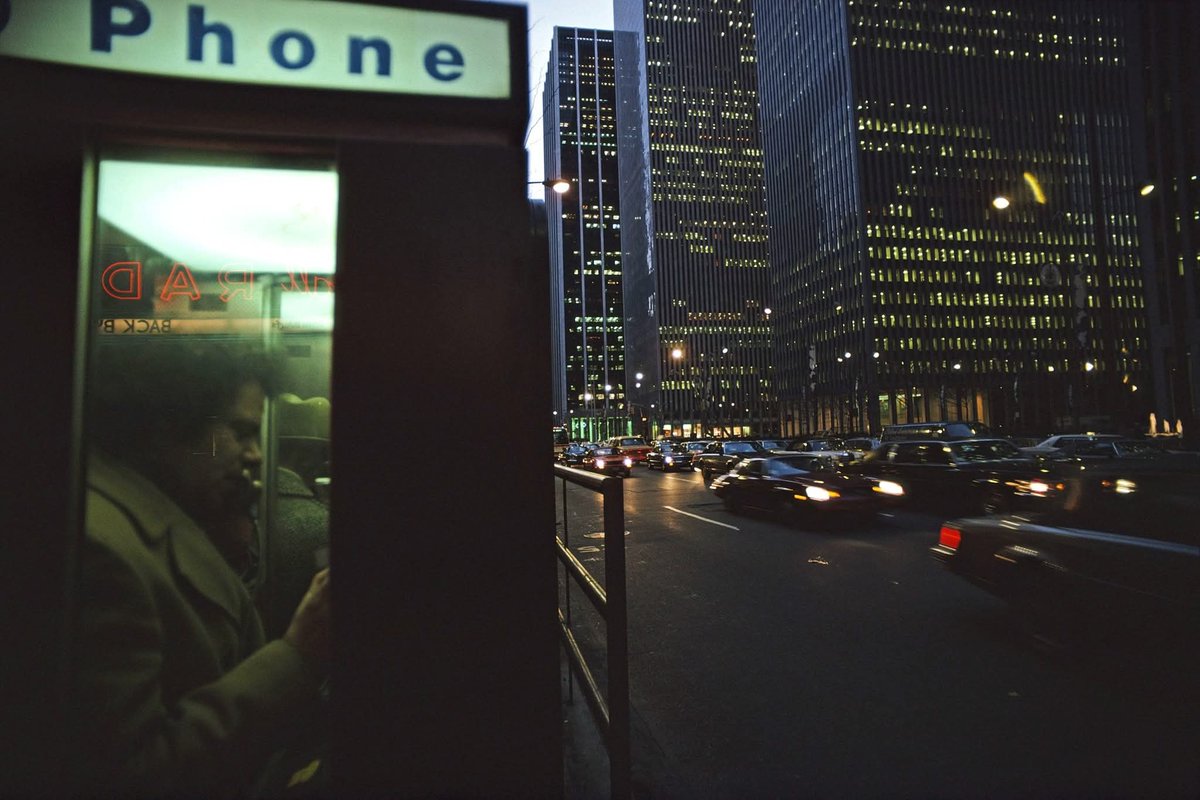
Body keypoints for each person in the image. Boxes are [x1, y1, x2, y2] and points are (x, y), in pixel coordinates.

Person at [69, 339, 330, 798]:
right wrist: (297, 655)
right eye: (241, 432)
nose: (255, 455)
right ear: (172, 425)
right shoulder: (102, 551)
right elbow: (134, 774)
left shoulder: (153, 518)